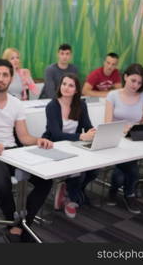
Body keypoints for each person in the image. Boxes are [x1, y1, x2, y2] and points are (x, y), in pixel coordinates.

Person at [0, 59, 53, 243]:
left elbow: (23, 137)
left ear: (11, 79)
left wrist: (38, 140)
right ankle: (16, 226)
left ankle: (21, 224)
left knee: (46, 180)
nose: (0, 78)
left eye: (5, 75)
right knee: (2, 183)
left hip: (12, 152)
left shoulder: (16, 104)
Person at [42, 73, 97, 219]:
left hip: (75, 145)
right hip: (54, 145)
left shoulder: (81, 105)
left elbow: (87, 126)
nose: (66, 88)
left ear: (76, 90)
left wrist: (94, 132)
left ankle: (71, 189)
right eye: (64, 84)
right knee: (76, 171)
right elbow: (56, 134)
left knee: (94, 170)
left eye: (71, 85)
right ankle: (72, 198)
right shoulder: (52, 106)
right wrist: (81, 136)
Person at [104, 63, 143, 214]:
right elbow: (107, 122)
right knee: (130, 170)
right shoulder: (113, 95)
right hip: (116, 138)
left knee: (125, 169)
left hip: (135, 138)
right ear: (125, 77)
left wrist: (132, 129)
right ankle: (128, 194)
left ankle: (117, 191)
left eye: (139, 82)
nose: (136, 85)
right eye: (133, 80)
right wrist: (123, 129)